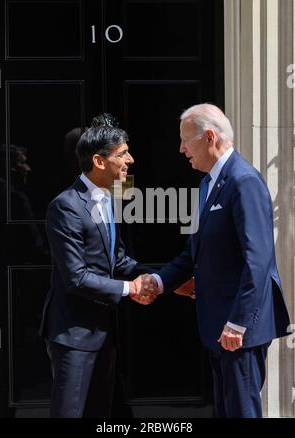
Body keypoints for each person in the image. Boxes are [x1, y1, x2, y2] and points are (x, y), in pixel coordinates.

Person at [142, 103, 291, 418]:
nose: (181, 149)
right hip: (217, 325)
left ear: (209, 137)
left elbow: (258, 259)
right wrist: (159, 282)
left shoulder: (243, 181)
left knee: (240, 412)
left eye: (186, 140)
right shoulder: (207, 184)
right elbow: (194, 251)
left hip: (237, 328)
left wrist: (238, 322)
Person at [39, 113, 158, 418]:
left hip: (106, 333)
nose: (130, 159)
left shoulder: (108, 199)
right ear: (99, 161)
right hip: (74, 336)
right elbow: (76, 277)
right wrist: (130, 288)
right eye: (122, 154)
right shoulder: (66, 206)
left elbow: (117, 259)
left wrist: (161, 279)